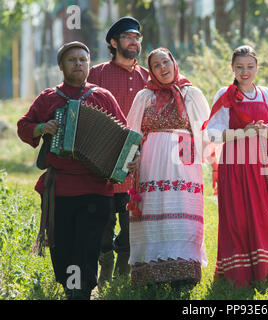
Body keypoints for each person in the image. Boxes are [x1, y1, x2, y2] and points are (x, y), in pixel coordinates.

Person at [17, 41, 128, 300]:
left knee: (87, 247)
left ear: (89, 64)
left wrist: (130, 160)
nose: (78, 64)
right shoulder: (49, 97)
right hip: (61, 189)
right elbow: (24, 125)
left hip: (96, 188)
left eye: (83, 60)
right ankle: (72, 287)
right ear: (61, 66)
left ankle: (81, 292)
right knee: (63, 248)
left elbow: (124, 136)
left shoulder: (103, 96)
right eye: (72, 60)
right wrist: (41, 128)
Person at [126, 47, 216, 288]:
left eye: (166, 62)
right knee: (152, 213)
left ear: (174, 63)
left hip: (182, 165)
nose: (163, 68)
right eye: (156, 65)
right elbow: (132, 132)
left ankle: (184, 272)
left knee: (183, 212)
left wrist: (215, 160)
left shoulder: (191, 93)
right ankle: (151, 275)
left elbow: (206, 131)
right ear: (151, 71)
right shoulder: (144, 97)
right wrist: (132, 157)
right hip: (150, 164)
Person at [204, 45, 268, 287]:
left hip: (267, 164)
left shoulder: (266, 93)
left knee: (267, 213)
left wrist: (266, 130)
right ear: (232, 68)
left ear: (257, 67)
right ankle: (240, 273)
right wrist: (244, 133)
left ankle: (267, 266)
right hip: (237, 163)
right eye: (240, 67)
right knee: (239, 216)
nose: (245, 71)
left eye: (250, 66)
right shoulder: (225, 94)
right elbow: (212, 134)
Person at [87, 16, 149, 286]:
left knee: (130, 222)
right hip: (101, 159)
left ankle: (123, 277)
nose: (134, 41)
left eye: (137, 37)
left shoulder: (148, 77)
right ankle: (104, 268)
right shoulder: (97, 74)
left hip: (137, 161)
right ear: (114, 42)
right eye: (127, 37)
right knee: (101, 221)